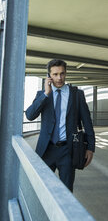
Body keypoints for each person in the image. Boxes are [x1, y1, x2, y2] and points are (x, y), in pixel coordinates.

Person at [26, 59, 95, 192]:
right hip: (46, 150)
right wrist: (46, 94)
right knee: (42, 189)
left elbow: (87, 122)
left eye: (62, 74)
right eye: (55, 74)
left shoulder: (77, 94)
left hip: (68, 151)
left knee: (67, 191)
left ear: (66, 73)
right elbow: (29, 115)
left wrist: (91, 147)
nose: (59, 78)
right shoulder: (42, 95)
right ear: (49, 76)